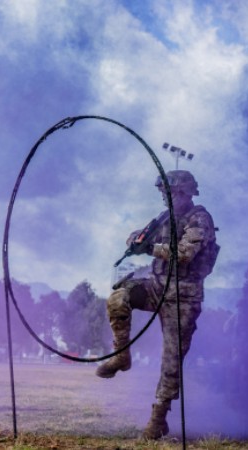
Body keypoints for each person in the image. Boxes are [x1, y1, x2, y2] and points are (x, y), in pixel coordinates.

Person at [95, 170, 219, 439]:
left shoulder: (200, 218)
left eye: (170, 193)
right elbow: (141, 235)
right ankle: (121, 355)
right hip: (156, 286)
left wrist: (149, 249)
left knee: (172, 360)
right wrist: (135, 239)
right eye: (163, 193)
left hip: (183, 296)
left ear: (186, 193)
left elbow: (185, 254)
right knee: (119, 297)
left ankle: (158, 417)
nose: (165, 197)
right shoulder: (164, 218)